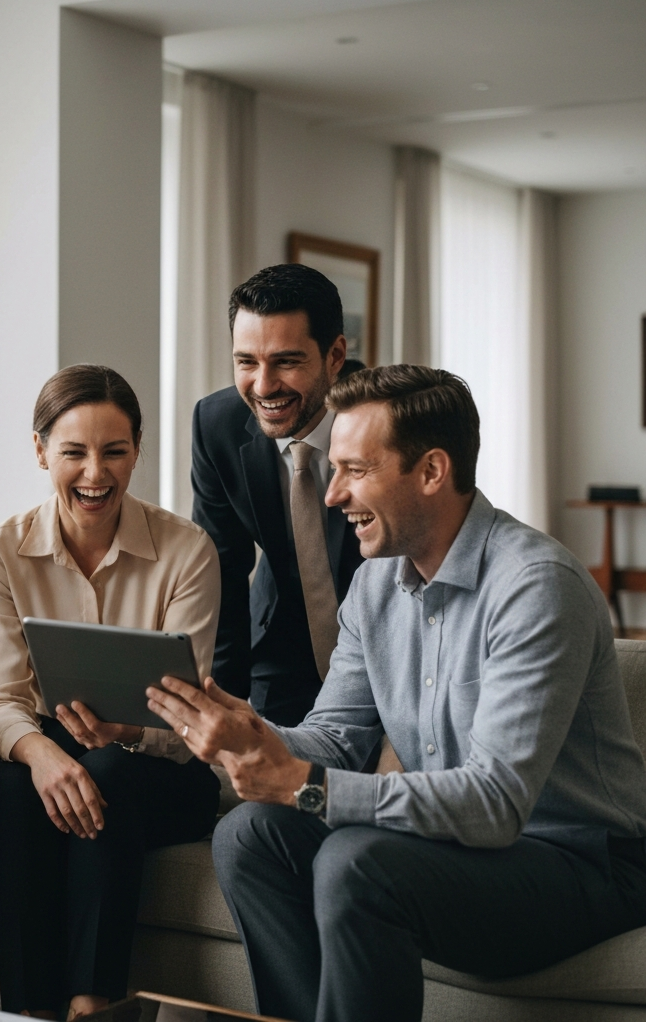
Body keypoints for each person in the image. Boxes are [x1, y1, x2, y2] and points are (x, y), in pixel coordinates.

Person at [148, 365, 646, 1022]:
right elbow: (336, 738)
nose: (331, 495)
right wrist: (254, 735)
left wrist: (307, 784)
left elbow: (495, 804)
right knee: (249, 835)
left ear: (432, 471)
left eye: (355, 470)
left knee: (358, 863)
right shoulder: (376, 584)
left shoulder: (535, 586)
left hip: (576, 862)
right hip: (457, 844)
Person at [0, 364, 221, 1021]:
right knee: (5, 783)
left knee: (106, 767)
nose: (94, 474)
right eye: (73, 452)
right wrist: (43, 756)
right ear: (40, 450)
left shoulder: (187, 551)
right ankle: (27, 1013)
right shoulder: (1, 552)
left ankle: (91, 1004)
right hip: (49, 757)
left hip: (164, 771)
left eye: (114, 452)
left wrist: (127, 732)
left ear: (137, 448)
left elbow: (191, 718)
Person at [191, 263, 364, 726]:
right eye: (246, 361)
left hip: (383, 649)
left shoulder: (386, 417)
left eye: (286, 361)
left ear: (335, 355)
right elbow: (220, 570)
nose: (263, 386)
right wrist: (221, 704)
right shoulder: (217, 426)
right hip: (278, 644)